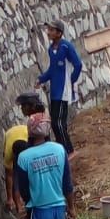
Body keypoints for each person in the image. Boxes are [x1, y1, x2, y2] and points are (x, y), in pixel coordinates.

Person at [37, 19, 83, 154]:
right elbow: (52, 70)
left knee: (60, 123)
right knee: (54, 123)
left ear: (59, 33)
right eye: (48, 30)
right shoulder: (51, 49)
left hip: (63, 90)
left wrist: (71, 81)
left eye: (51, 30)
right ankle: (61, 150)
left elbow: (78, 65)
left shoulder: (66, 47)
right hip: (55, 91)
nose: (48, 33)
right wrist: (41, 79)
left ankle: (69, 151)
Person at [4, 91, 46, 213]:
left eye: (23, 106)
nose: (21, 109)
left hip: (25, 141)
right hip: (13, 138)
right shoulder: (9, 150)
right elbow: (10, 175)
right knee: (16, 174)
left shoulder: (33, 133)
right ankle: (19, 204)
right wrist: (10, 199)